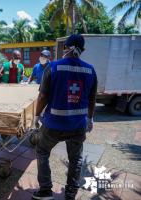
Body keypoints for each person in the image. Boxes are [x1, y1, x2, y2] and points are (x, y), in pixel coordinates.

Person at [32, 34, 97, 200]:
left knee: (42, 150)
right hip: (78, 125)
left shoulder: (52, 67)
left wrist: (36, 116)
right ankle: (70, 194)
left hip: (53, 124)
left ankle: (45, 191)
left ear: (64, 47)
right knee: (76, 159)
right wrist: (89, 118)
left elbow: (42, 97)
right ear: (82, 50)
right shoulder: (90, 70)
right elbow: (92, 99)